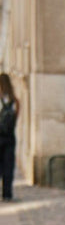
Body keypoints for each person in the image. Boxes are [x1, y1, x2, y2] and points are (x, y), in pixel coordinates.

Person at [0, 73, 19, 201]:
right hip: (10, 137)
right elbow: (16, 118)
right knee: (8, 165)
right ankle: (7, 193)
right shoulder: (15, 101)